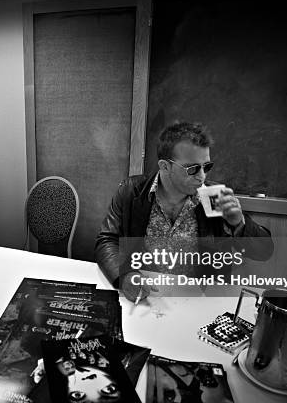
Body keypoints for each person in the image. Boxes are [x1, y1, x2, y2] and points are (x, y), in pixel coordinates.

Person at [95, 121, 274, 301]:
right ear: (165, 166)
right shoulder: (131, 191)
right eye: (193, 169)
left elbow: (263, 251)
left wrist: (239, 224)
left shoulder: (214, 197)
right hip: (145, 295)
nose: (202, 177)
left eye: (206, 167)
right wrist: (125, 276)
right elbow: (107, 240)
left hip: (197, 298)